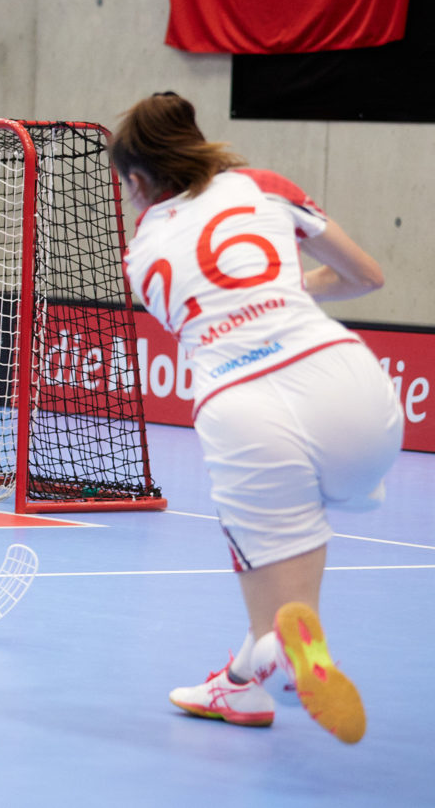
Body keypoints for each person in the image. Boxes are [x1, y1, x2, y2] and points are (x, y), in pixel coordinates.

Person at [111, 92, 403, 743]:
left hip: (242, 407)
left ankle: (278, 650)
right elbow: (366, 276)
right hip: (347, 384)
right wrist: (299, 285)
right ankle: (240, 684)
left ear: (136, 180)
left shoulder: (142, 255)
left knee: (270, 559)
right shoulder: (263, 187)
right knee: (342, 486)